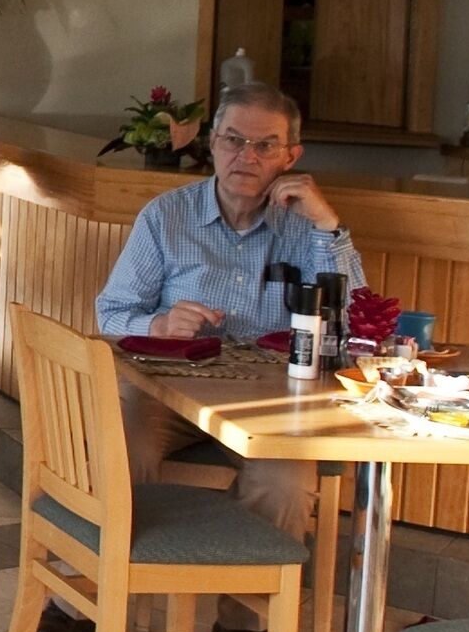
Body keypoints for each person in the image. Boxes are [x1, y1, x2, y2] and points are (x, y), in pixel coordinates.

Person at [93, 80, 358, 531]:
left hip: (269, 399)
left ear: (291, 158)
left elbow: (350, 326)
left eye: (266, 145)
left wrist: (328, 224)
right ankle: (94, 597)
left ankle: (248, 602)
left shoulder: (307, 227)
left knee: (286, 484)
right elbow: (111, 314)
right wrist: (159, 324)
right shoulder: (166, 216)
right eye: (234, 140)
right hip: (165, 390)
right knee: (118, 450)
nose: (247, 156)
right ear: (212, 143)